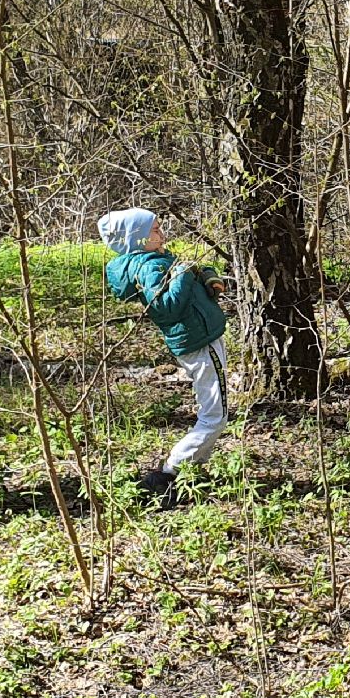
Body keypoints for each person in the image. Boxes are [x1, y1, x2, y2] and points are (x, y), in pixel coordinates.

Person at [97, 207, 228, 508]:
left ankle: (191, 474)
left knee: (214, 412)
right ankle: (172, 473)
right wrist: (183, 272)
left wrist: (202, 275)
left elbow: (182, 289)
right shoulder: (149, 267)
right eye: (155, 230)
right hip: (198, 341)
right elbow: (165, 307)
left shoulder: (153, 260)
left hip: (199, 337)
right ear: (139, 239)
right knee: (215, 416)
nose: (162, 233)